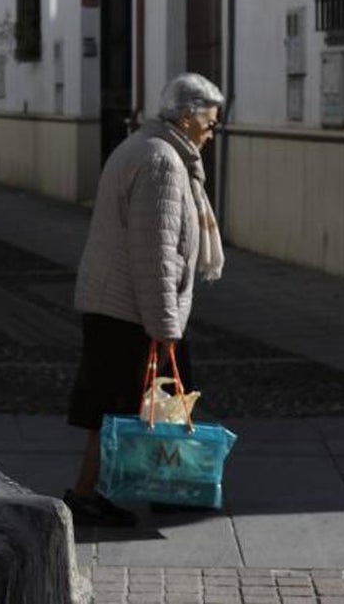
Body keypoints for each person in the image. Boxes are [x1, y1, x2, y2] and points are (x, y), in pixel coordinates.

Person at [63, 72, 226, 527]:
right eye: (210, 123)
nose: (212, 131)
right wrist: (166, 328)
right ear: (188, 117)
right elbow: (153, 255)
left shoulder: (150, 148)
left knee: (120, 407)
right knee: (118, 408)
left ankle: (136, 488)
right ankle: (94, 493)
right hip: (129, 310)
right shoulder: (162, 162)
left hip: (118, 304)